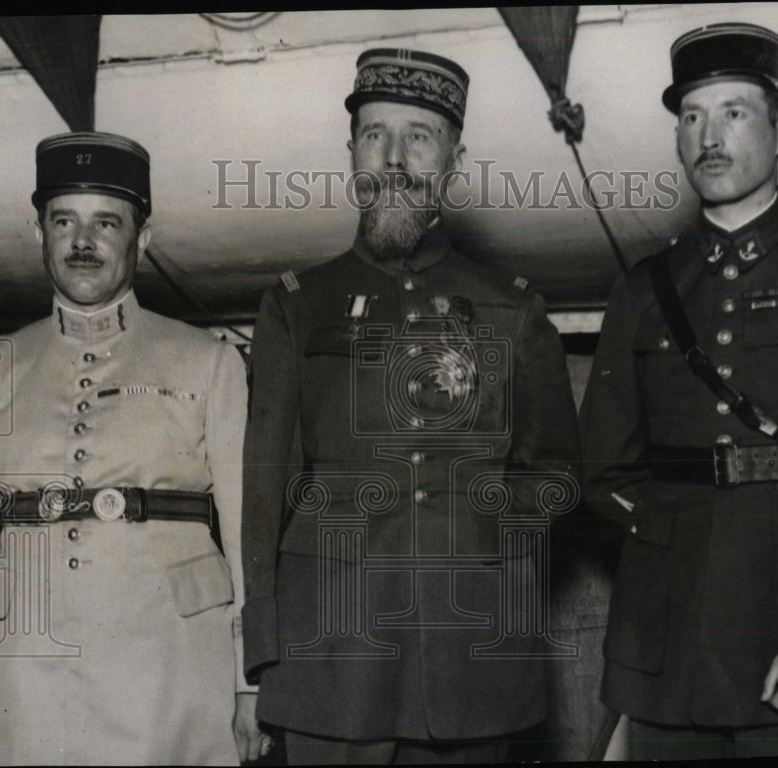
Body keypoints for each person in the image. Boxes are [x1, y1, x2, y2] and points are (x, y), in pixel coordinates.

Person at [241, 48, 580, 764]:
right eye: (374, 135)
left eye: (418, 137)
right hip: (329, 663)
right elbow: (264, 493)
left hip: (474, 665)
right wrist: (261, 651)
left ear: (454, 161)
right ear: (351, 155)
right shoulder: (296, 308)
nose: (394, 158)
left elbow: (556, 477)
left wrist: (469, 511)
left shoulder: (513, 310)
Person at [579, 23, 778, 759]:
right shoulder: (643, 291)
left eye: (734, 112)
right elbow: (604, 467)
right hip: (669, 644)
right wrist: (676, 531)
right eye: (691, 117)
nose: (709, 136)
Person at [0, 131, 267, 765]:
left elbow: (251, 531)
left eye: (106, 222)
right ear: (40, 234)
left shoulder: (210, 362)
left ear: (142, 239)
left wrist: (249, 678)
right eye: (64, 220)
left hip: (170, 667)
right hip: (20, 671)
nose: (82, 242)